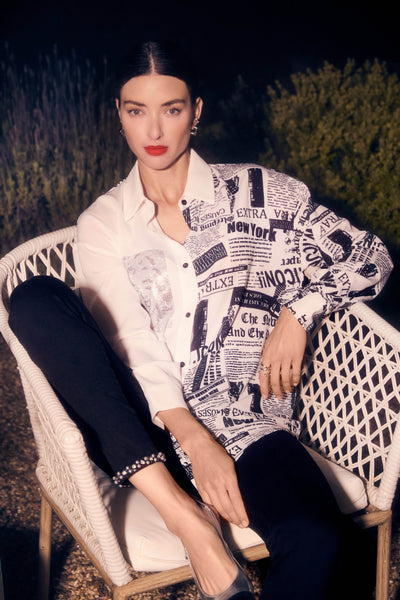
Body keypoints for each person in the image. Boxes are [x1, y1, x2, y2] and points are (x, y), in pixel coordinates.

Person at [9, 40, 393, 600]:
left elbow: (370, 256)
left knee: (316, 538)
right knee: (36, 299)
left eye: (171, 108)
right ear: (119, 114)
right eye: (136, 110)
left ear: (196, 111)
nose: (154, 129)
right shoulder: (105, 222)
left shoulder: (262, 193)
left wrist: (299, 311)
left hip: (243, 418)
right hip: (138, 424)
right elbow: (130, 340)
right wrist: (193, 438)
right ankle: (186, 519)